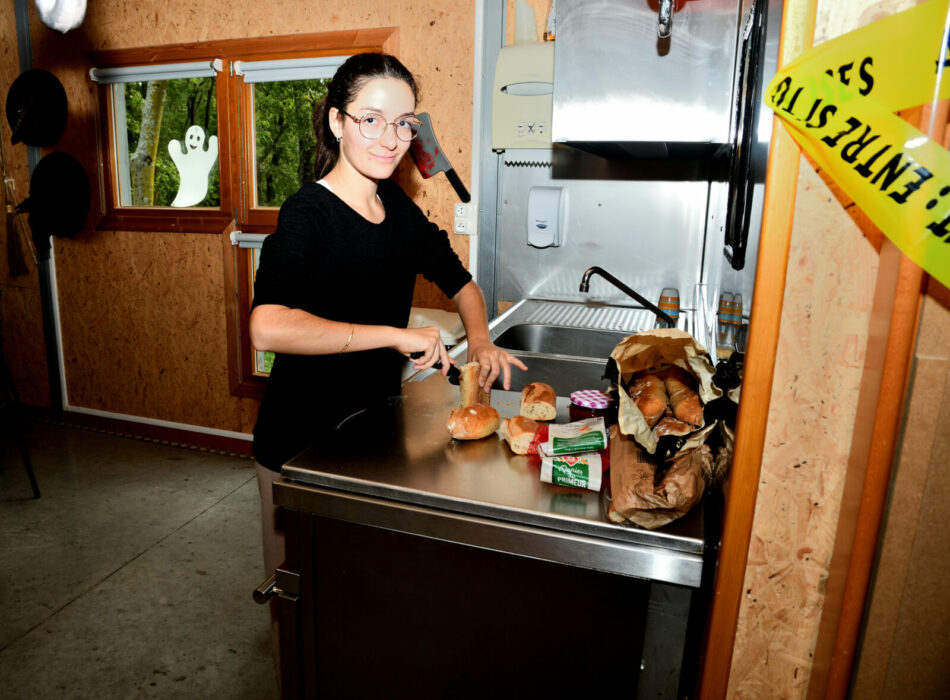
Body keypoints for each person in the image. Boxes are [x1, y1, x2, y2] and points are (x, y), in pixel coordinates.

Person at [250, 52, 526, 580]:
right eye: (371, 120)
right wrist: (395, 336)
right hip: (299, 447)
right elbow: (268, 326)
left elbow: (463, 284)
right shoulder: (308, 214)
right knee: (299, 594)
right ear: (337, 120)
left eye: (404, 124)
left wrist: (482, 340)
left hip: (373, 438)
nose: (391, 139)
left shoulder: (398, 209)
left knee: (360, 594)